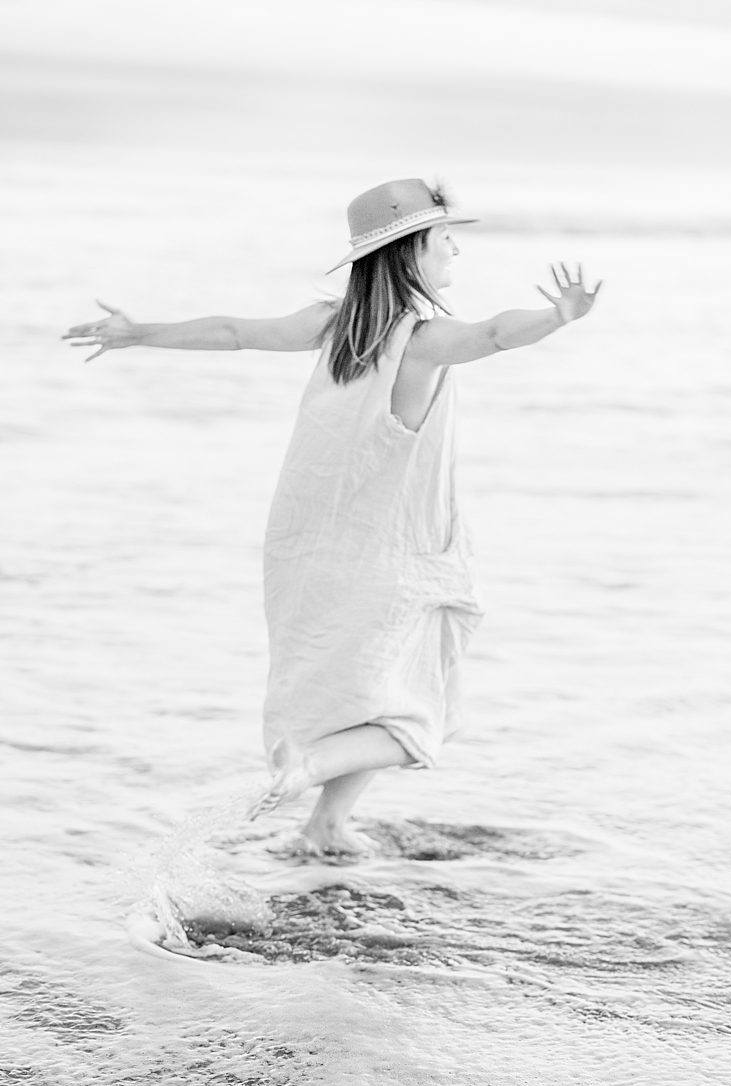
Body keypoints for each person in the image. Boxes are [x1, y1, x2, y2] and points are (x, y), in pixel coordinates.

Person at [63, 178, 601, 854]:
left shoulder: (330, 324)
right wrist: (558, 318)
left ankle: (326, 823)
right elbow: (494, 333)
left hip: (306, 545)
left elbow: (234, 332)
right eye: (443, 239)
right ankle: (306, 771)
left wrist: (138, 332)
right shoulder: (424, 339)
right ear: (411, 253)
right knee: (421, 711)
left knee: (368, 694)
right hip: (396, 556)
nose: (455, 248)